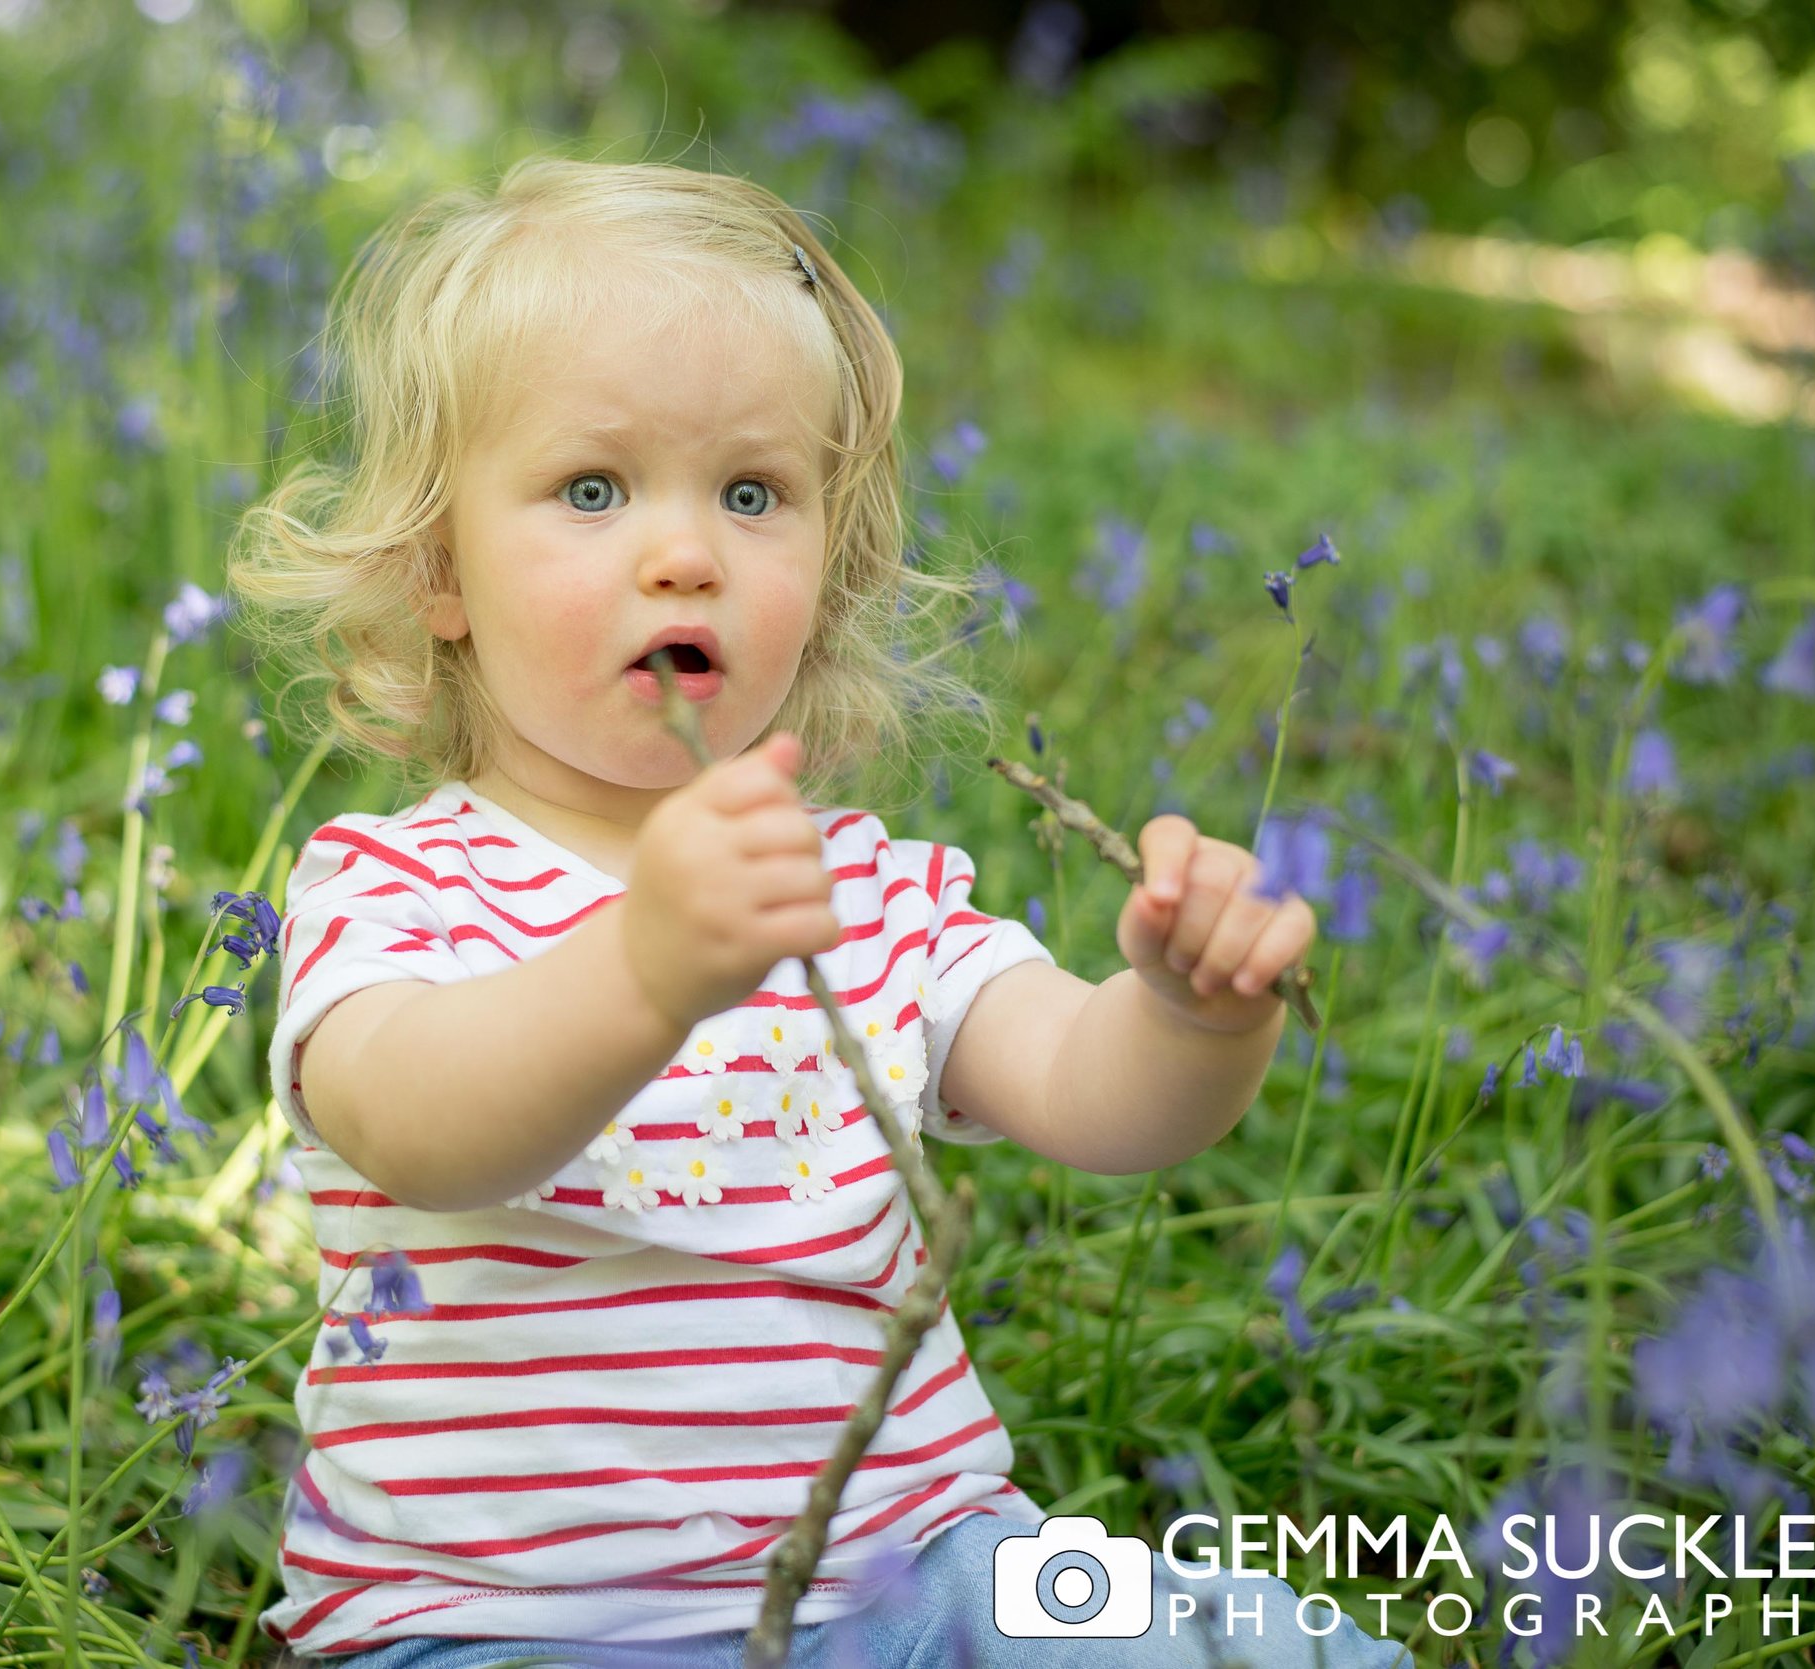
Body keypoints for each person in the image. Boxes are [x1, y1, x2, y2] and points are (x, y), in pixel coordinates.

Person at [228, 155, 1405, 1668]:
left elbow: (1090, 1092)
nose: (685, 550)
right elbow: (422, 1127)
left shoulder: (870, 894)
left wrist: (1189, 1010)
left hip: (919, 1579)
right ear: (437, 570)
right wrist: (645, 969)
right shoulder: (394, 889)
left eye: (752, 491)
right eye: (592, 489)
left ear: (826, 569)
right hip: (511, 1622)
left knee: (1190, 1638)